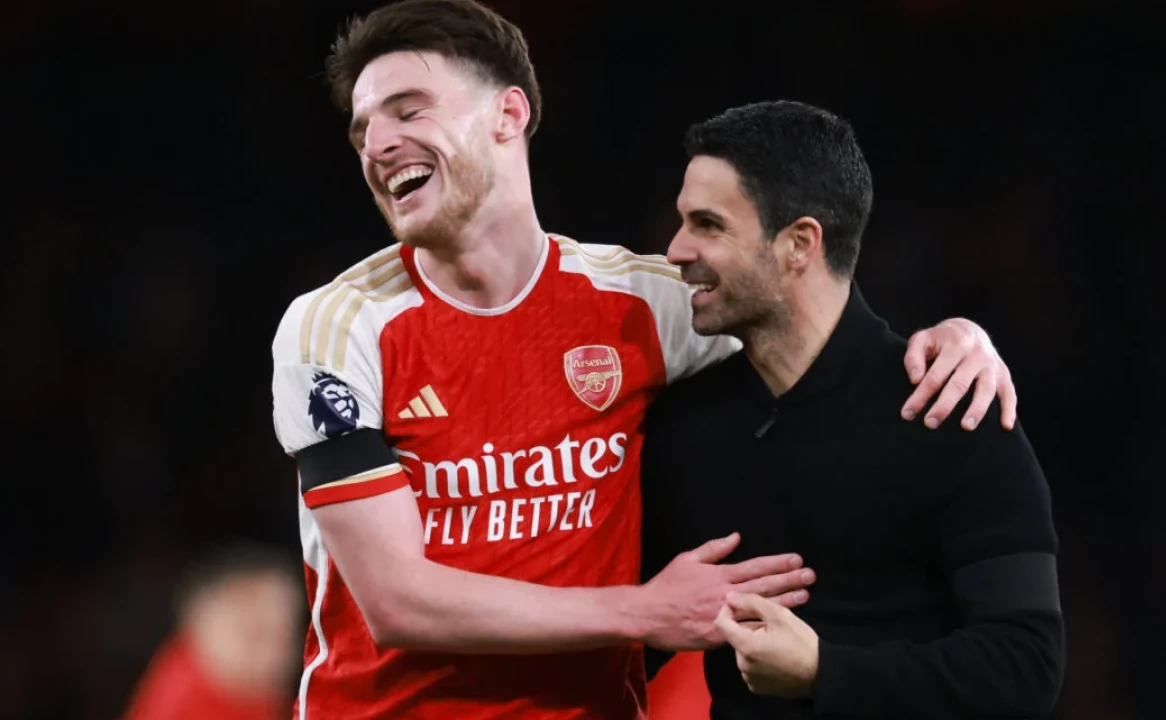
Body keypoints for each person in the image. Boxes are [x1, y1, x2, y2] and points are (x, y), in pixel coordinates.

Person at [269, 1, 1022, 717]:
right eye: (362, 129)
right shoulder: (336, 328)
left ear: (508, 114)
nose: (376, 145)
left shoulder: (639, 302)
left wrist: (950, 338)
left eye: (408, 111)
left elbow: (811, 310)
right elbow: (396, 601)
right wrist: (644, 611)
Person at [639, 100, 1065, 719]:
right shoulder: (684, 426)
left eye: (708, 225)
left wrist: (823, 672)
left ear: (799, 244)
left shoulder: (950, 406)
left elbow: (1025, 666)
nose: (676, 249)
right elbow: (625, 642)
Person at [121, 542, 304, 720]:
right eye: (255, 635)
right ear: (199, 621)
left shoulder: (258, 699)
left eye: (287, 637)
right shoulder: (184, 702)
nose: (278, 658)